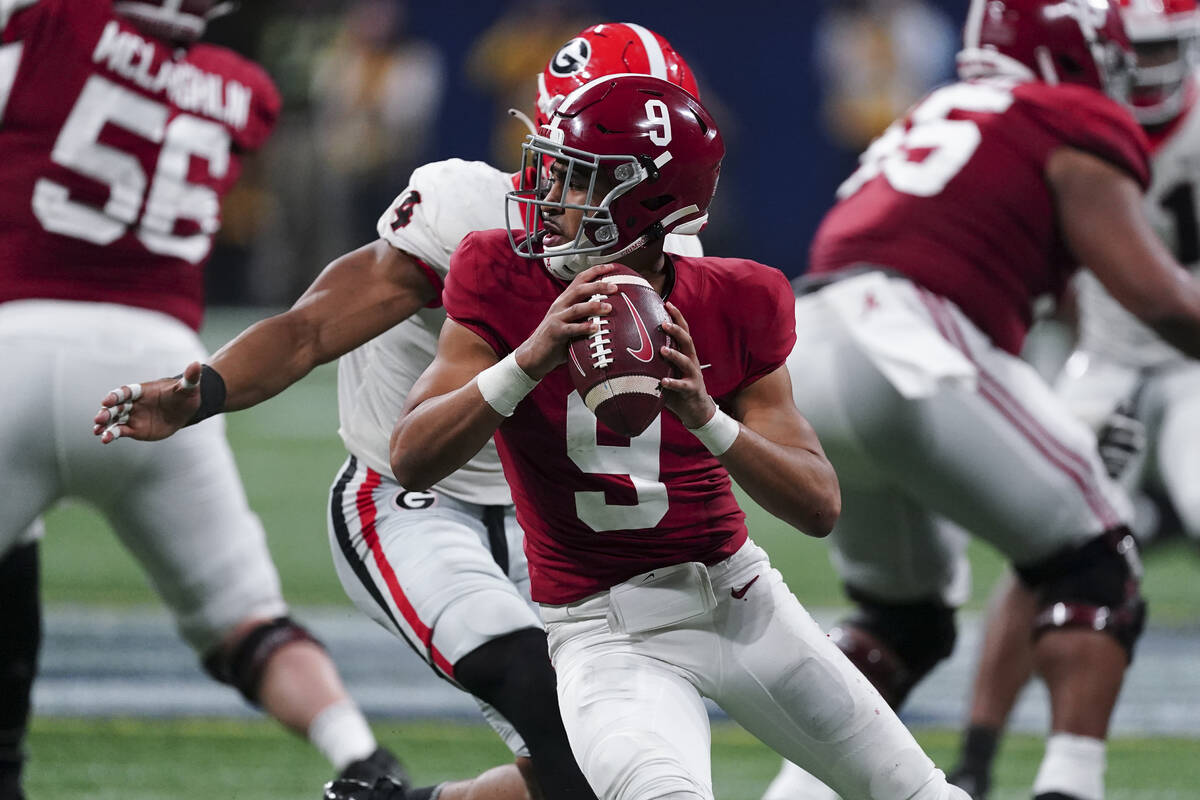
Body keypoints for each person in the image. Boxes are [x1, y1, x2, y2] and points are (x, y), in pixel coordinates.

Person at [93, 22, 705, 800]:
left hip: (550, 517)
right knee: (539, 691)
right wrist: (205, 390)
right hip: (412, 499)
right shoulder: (467, 212)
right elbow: (311, 328)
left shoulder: (673, 255)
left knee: (611, 756)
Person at [386, 72, 970, 800]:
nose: (550, 193)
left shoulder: (738, 296)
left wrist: (706, 417)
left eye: (577, 178)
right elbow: (411, 457)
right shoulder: (498, 272)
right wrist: (527, 360)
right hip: (605, 631)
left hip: (739, 600)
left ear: (644, 201)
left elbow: (819, 505)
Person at [770, 1, 1200, 799]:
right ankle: (1071, 786)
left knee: (902, 620)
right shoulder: (1064, 114)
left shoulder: (944, 107)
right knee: (1097, 557)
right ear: (1070, 52)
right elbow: (1161, 300)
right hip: (906, 341)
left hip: (808, 344)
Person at [0, 1, 406, 797]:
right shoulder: (242, 88)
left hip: (17, 341)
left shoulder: (53, 22)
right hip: (161, 370)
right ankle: (362, 758)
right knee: (247, 619)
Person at [946, 1, 1200, 797]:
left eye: (1165, 52)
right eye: (1138, 53)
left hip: (1193, 363)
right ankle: (976, 757)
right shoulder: (1073, 121)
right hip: (1107, 357)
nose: (1150, 72)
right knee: (1043, 542)